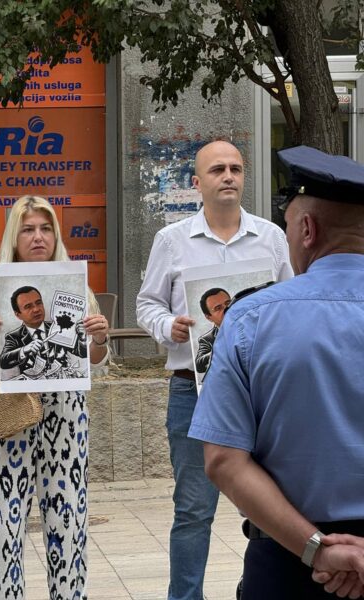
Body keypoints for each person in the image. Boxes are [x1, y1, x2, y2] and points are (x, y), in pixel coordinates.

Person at [189, 145, 364, 599]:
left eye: (287, 228)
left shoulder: (251, 319)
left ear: (307, 230)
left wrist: (317, 550)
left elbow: (223, 460)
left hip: (289, 562)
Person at [136, 140, 293, 600]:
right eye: (218, 169)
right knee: (192, 510)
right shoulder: (172, 240)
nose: (228, 176)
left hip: (261, 393)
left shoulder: (272, 237)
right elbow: (147, 304)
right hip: (194, 391)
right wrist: (169, 326)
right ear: (197, 182)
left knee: (271, 507)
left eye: (236, 169)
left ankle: (264, 590)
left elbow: (290, 301)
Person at [0, 195, 110, 600]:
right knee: (4, 521)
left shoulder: (73, 284)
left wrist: (99, 338)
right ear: (14, 236)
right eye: (27, 229)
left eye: (45, 228)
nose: (38, 237)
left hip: (66, 413)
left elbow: (94, 362)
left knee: (69, 518)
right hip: (8, 411)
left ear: (56, 235)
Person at [0, 285, 88, 378]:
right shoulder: (13, 336)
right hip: (33, 386)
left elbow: (82, 353)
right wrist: (24, 350)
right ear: (18, 315)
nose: (36, 309)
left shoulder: (58, 327)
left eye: (38, 303)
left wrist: (82, 339)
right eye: (28, 307)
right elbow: (3, 362)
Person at [194, 287, 230, 374]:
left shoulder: (251, 324)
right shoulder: (206, 339)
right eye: (218, 308)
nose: (226, 309)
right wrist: (220, 349)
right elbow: (199, 366)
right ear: (208, 317)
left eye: (228, 303)